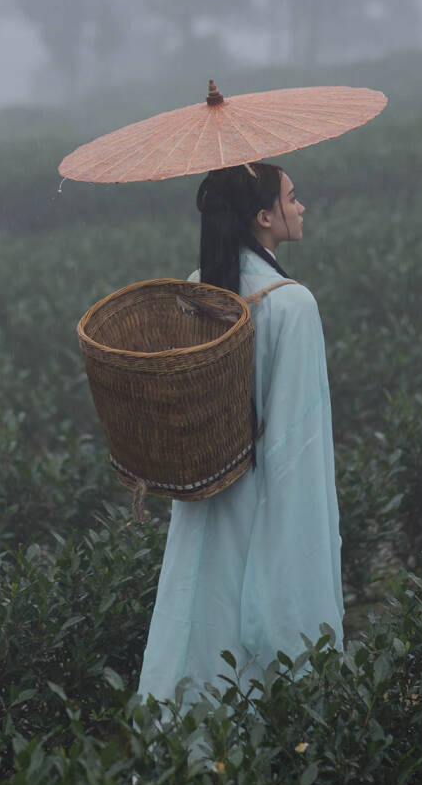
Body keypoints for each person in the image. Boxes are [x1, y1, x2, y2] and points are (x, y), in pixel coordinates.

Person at [136, 161, 344, 708]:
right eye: (292, 198)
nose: (301, 208)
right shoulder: (291, 303)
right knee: (253, 661)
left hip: (206, 499)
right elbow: (295, 443)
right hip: (262, 507)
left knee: (197, 627)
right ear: (263, 216)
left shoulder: (199, 289)